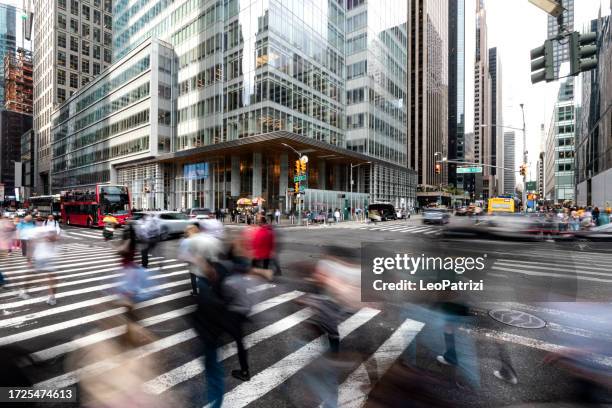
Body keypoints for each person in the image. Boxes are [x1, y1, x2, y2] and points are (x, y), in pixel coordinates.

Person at [179, 224, 223, 296]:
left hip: (196, 262)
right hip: (204, 261)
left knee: (195, 277)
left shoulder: (186, 241)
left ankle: (197, 292)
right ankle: (209, 290)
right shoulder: (202, 237)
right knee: (204, 277)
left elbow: (184, 254)